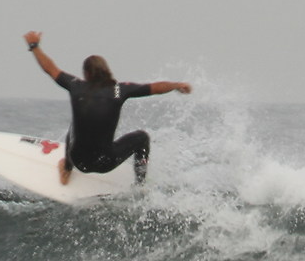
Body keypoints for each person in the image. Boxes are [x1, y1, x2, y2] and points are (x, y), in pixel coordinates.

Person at [22, 31, 193, 186]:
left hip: (78, 160)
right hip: (106, 163)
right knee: (142, 138)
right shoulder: (120, 90)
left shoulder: (76, 86)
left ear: (86, 74)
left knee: (74, 125)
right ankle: (140, 186)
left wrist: (34, 46)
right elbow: (154, 88)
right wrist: (176, 85)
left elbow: (50, 69)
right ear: (106, 71)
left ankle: (67, 168)